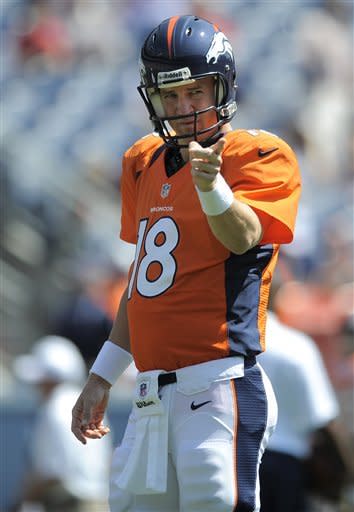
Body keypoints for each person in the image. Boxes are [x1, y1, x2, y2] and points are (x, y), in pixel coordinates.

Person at [71, 14, 301, 512]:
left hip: (217, 386)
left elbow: (243, 238)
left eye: (195, 92)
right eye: (170, 97)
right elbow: (145, 283)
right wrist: (102, 375)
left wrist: (212, 188)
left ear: (222, 86)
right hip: (150, 396)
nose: (183, 108)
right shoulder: (143, 160)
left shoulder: (257, 154)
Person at [13, 335, 112, 512]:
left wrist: (23, 499)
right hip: (100, 502)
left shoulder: (54, 407)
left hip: (70, 505)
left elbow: (50, 473)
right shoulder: (86, 402)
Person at [259, 311, 341, 512]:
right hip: (287, 467)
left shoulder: (223, 344)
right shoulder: (296, 345)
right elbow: (321, 415)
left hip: (238, 461)